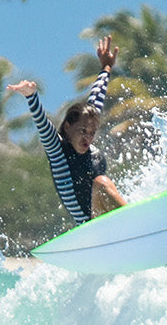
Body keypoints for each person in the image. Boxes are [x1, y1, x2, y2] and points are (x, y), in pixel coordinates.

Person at [7, 36, 128, 224]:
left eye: (91, 133)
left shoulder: (91, 149)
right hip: (90, 227)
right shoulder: (58, 152)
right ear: (67, 127)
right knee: (101, 183)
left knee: (104, 183)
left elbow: (97, 96)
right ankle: (137, 222)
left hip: (108, 220)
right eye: (82, 131)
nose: (87, 137)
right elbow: (43, 125)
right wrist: (31, 96)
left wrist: (106, 67)